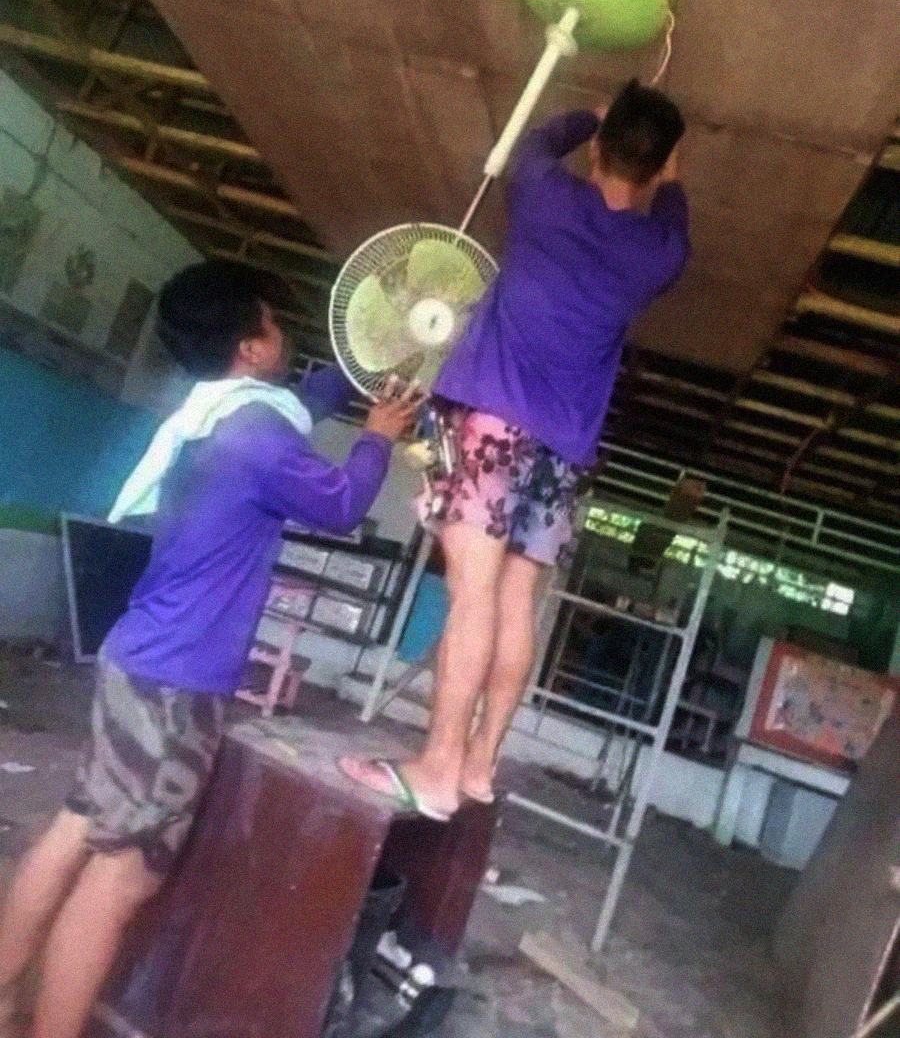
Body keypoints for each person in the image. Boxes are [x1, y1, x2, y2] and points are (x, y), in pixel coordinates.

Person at [0, 260, 420, 1038]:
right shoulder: (256, 435)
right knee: (121, 879)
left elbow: (302, 401)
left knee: (75, 827)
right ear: (250, 347)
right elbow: (340, 504)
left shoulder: (222, 413)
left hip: (141, 656)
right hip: (175, 686)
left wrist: (365, 355)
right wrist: (378, 440)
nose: (282, 332)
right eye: (271, 321)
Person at [341, 78, 690, 819]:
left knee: (471, 594)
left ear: (598, 148)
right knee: (516, 602)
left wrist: (588, 118)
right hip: (564, 450)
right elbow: (674, 216)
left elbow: (531, 142)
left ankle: (436, 769)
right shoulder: (657, 256)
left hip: (495, 423)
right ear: (659, 168)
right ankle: (479, 767)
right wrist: (668, 172)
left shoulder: (543, 196)